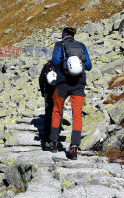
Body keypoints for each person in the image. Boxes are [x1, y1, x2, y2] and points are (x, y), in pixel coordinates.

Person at [48, 27, 92, 160]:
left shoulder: (59, 45)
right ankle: (74, 148)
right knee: (77, 114)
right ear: (73, 35)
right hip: (79, 84)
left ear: (63, 35)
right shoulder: (81, 46)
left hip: (63, 83)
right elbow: (89, 66)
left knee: (57, 111)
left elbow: (55, 61)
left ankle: (54, 143)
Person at [38, 60, 60, 149]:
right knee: (58, 112)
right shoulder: (61, 65)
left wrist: (42, 91)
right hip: (58, 91)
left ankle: (46, 137)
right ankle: (56, 135)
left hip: (48, 90)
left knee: (48, 112)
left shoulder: (47, 66)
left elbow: (41, 79)